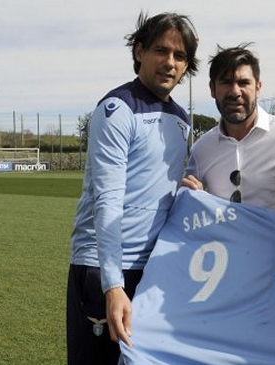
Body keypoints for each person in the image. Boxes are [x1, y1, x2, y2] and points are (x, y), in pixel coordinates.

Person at [66, 11, 199, 365]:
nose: (170, 62)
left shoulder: (183, 120)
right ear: (140, 52)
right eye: (161, 50)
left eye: (180, 55)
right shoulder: (117, 108)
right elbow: (107, 202)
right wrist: (113, 286)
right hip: (103, 267)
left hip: (153, 268)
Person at [181, 43, 275, 320]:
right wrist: (191, 196)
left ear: (258, 87)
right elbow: (191, 207)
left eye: (243, 82)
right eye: (226, 82)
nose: (235, 91)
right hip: (223, 285)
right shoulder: (202, 149)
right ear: (212, 88)